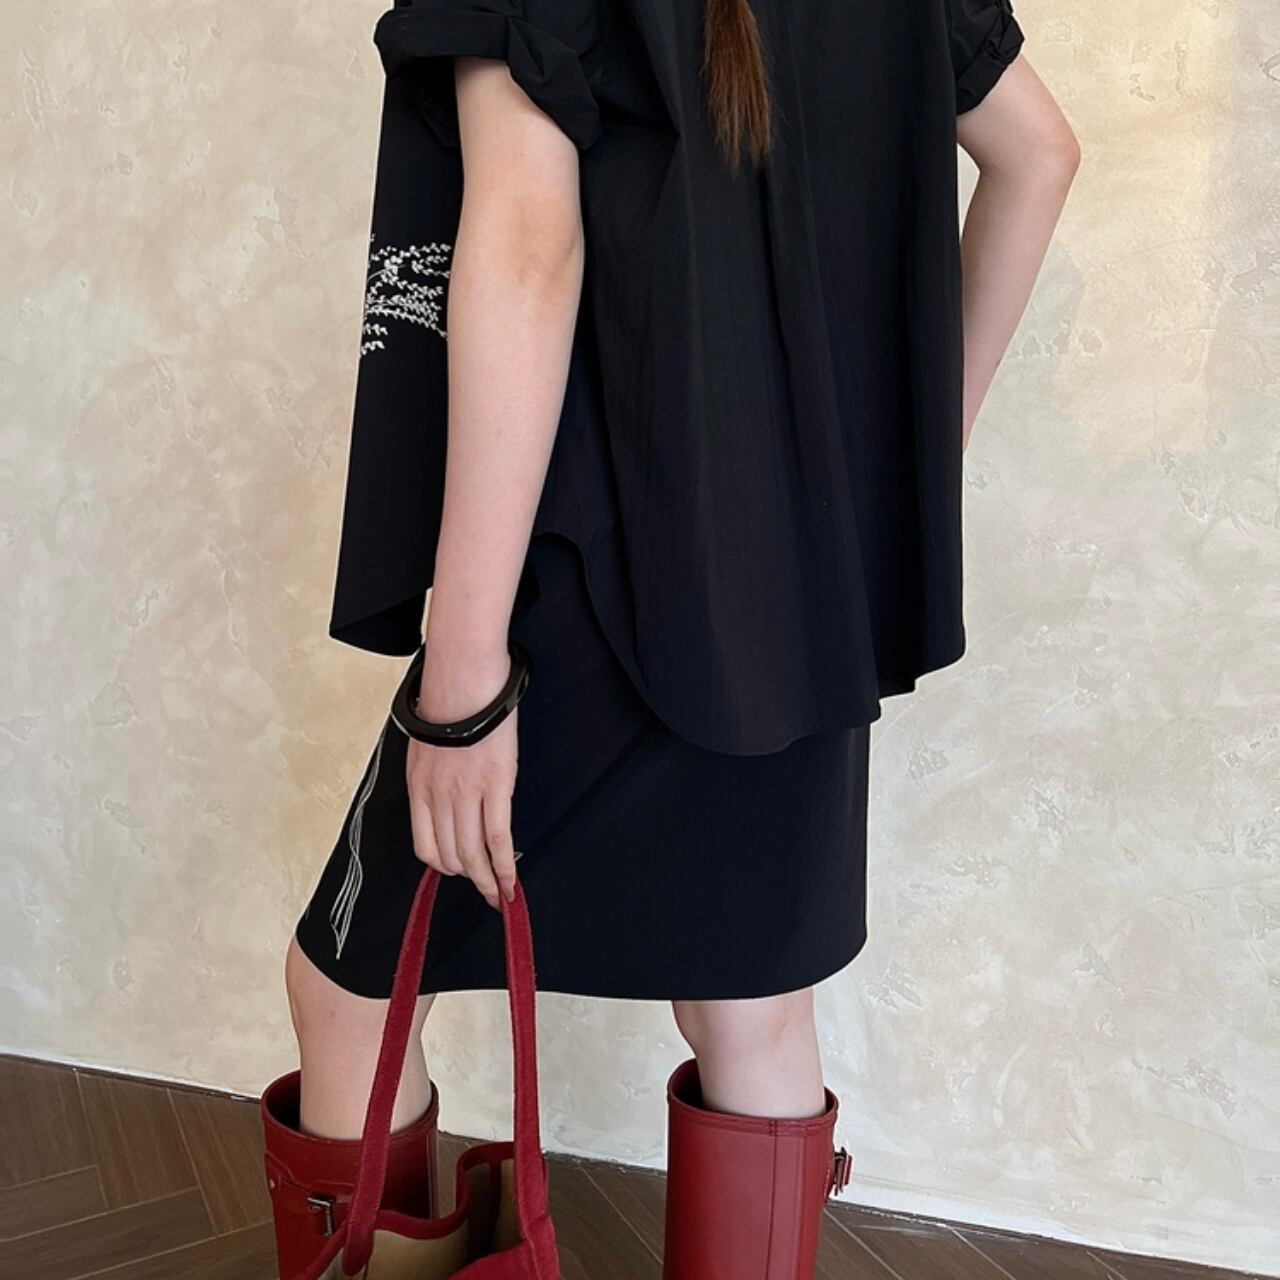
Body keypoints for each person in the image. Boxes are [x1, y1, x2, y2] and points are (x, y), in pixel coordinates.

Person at [269, 0, 1079, 1275]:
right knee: (747, 1008)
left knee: (349, 989)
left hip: (589, 570)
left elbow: (528, 245)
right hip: (801, 583)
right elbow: (1038, 153)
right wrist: (889, 477)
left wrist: (464, 681)